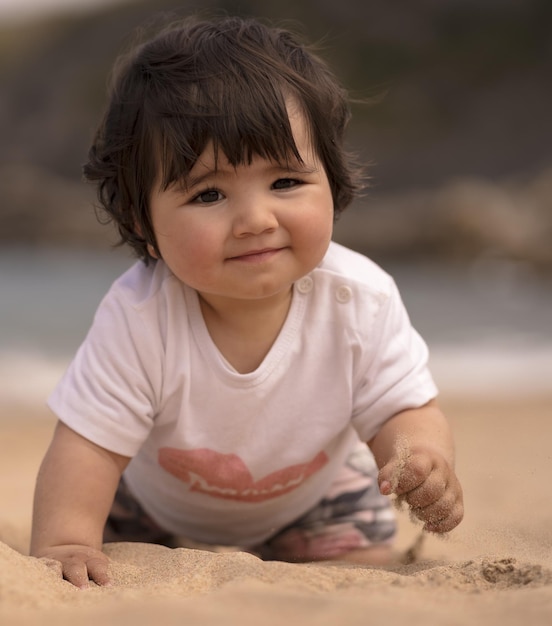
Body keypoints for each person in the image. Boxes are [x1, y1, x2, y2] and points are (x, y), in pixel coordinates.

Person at [30, 15, 463, 589]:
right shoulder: (140, 316)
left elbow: (401, 409)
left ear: (331, 182)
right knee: (106, 526)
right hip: (154, 506)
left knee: (361, 564)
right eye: (208, 193)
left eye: (285, 182)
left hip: (317, 498)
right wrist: (65, 541)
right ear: (144, 220)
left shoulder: (359, 299)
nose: (256, 221)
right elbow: (90, 445)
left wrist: (420, 459)